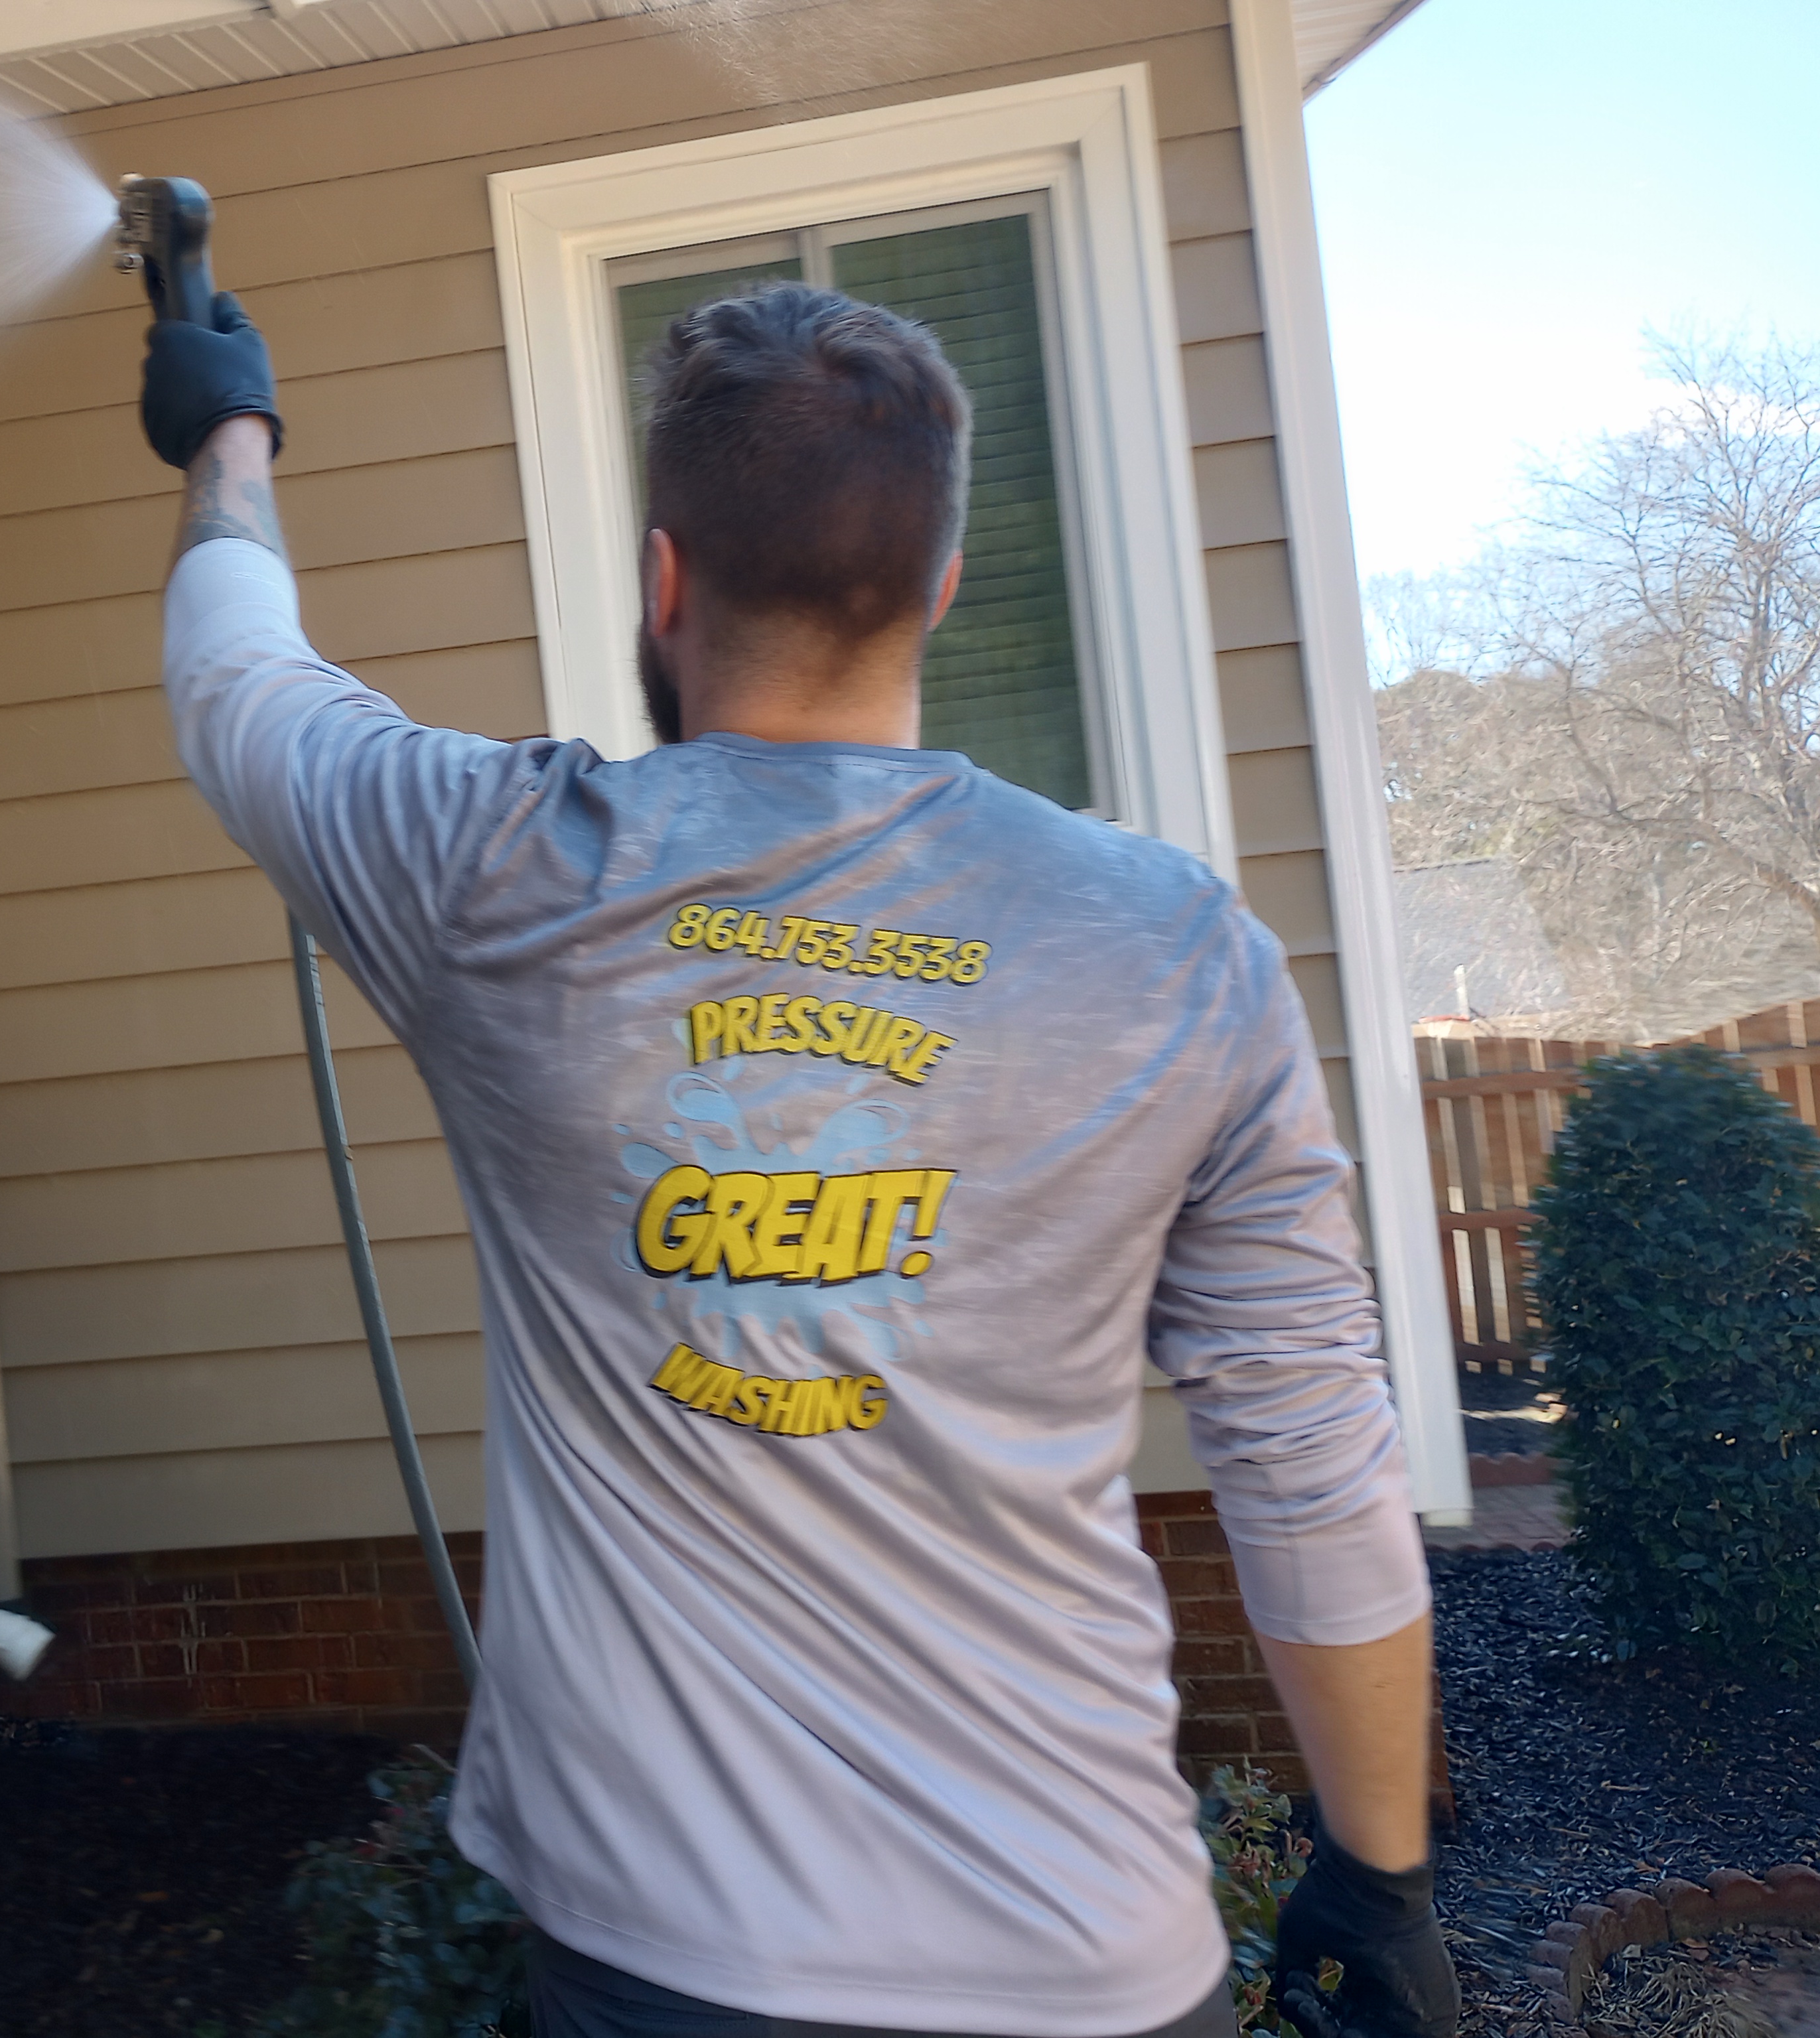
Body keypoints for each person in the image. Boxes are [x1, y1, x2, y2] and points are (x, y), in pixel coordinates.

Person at [135, 281, 1456, 2038]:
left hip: (670, 1977)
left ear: (665, 583)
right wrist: (1381, 1880)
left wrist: (227, 428)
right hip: (1103, 1966)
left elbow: (236, 671)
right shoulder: (1175, 952)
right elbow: (1314, 1457)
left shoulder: (492, 873)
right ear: (939, 595)